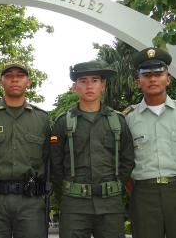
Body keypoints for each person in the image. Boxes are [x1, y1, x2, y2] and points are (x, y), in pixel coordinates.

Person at [51, 61, 135, 238]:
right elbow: (55, 165)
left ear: (103, 85)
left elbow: (128, 159)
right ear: (75, 87)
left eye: (95, 80)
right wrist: (67, 193)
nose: (89, 85)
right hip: (74, 206)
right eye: (83, 80)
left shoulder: (117, 120)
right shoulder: (63, 122)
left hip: (110, 206)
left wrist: (115, 186)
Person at [124, 48, 176, 238]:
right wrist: (136, 189)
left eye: (158, 73)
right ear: (138, 81)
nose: (153, 79)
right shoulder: (128, 119)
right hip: (143, 194)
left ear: (168, 78)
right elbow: (122, 161)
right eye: (146, 75)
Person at [0, 62, 50, 238]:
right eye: (9, 76)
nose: (15, 79)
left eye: (20, 76)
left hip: (30, 201)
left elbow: (47, 158)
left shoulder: (42, 119)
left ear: (28, 81)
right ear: (1, 81)